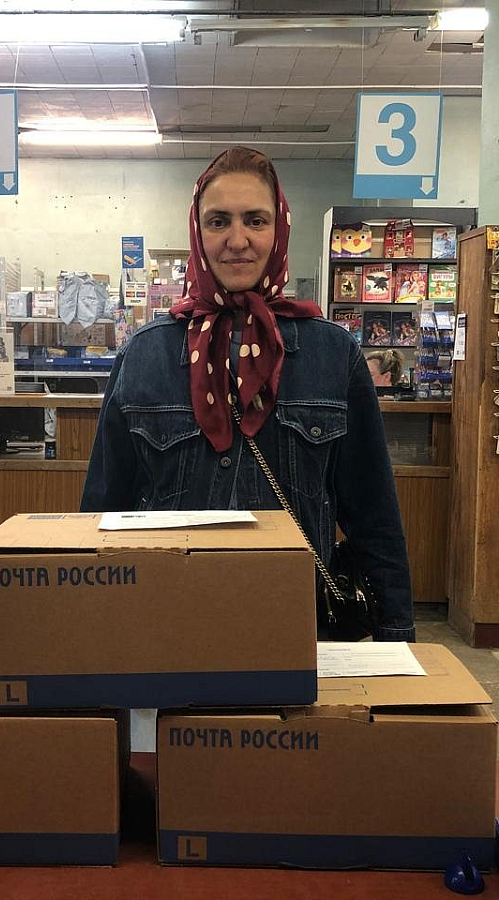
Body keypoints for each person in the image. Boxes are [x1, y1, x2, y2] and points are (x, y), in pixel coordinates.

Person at [81, 146, 414, 643]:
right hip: (166, 631)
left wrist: (396, 640)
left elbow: (374, 515)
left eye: (255, 221)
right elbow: (102, 515)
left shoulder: (332, 354)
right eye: (218, 221)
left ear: (278, 230)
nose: (237, 241)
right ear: (197, 233)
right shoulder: (145, 356)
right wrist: (93, 637)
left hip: (297, 631)